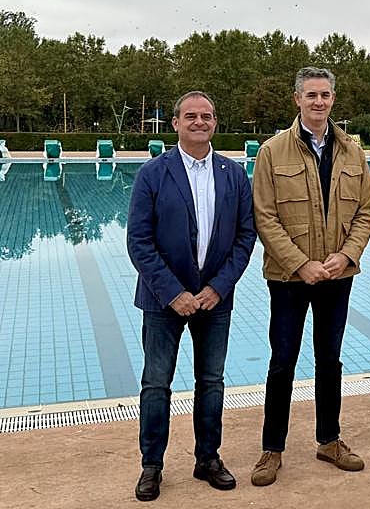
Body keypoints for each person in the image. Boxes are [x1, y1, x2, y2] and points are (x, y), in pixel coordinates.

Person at [127, 91, 257, 502]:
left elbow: (245, 235)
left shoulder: (233, 174)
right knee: (156, 384)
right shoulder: (154, 173)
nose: (199, 122)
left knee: (212, 381)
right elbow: (139, 241)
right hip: (163, 301)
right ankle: (152, 465)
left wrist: (218, 288)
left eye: (207, 116)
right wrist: (173, 293)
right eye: (191, 116)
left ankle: (208, 458)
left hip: (214, 300)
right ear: (176, 124)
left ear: (215, 122)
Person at [249, 67, 370, 486]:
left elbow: (365, 213)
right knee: (282, 360)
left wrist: (347, 255)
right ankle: (272, 448)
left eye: (325, 95)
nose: (318, 102)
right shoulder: (272, 151)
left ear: (333, 100)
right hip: (288, 278)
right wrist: (300, 263)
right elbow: (264, 217)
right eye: (311, 95)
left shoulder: (353, 151)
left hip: (337, 275)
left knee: (330, 359)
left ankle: (329, 440)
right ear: (297, 100)